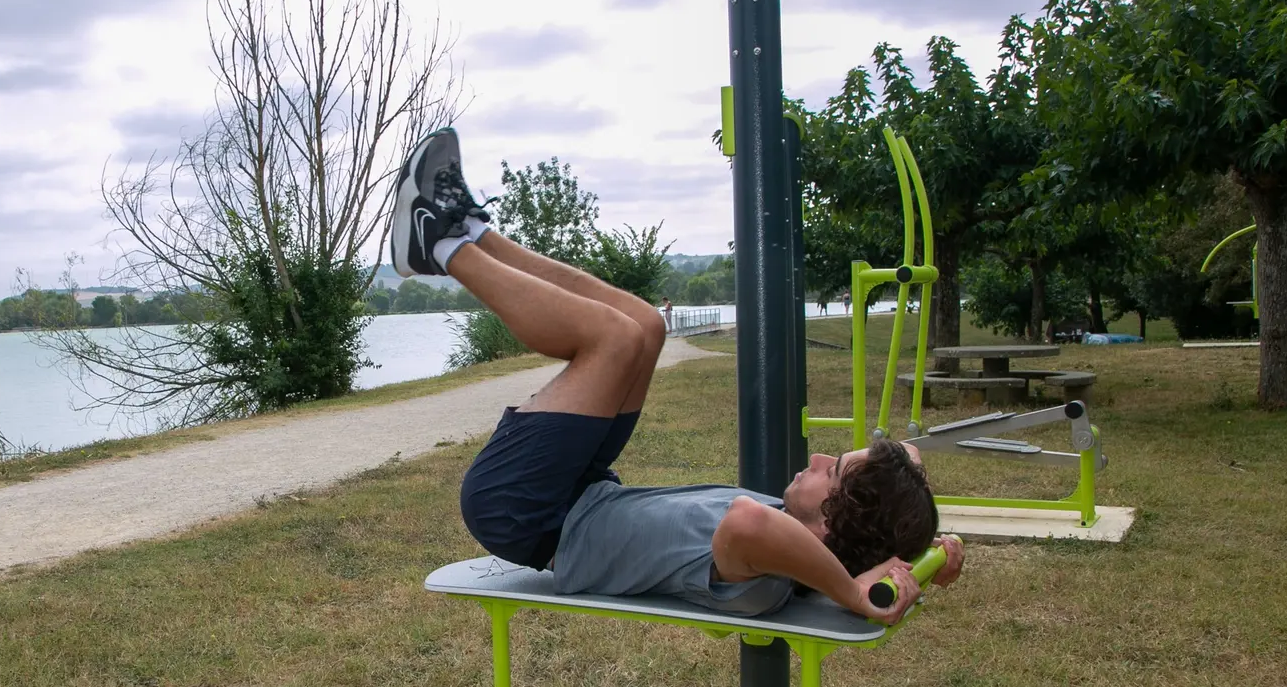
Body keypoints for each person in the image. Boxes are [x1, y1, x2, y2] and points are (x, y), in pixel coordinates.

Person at [389, 127, 963, 624]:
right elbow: (903, 457)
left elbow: (746, 524)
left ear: (830, 527)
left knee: (611, 340)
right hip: (579, 494)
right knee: (643, 324)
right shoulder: (800, 533)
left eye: (832, 470)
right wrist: (918, 552)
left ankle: (441, 244)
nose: (816, 459)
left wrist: (852, 591)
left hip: (524, 511)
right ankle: (471, 232)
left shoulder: (762, 575)